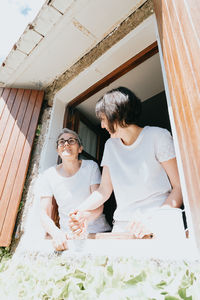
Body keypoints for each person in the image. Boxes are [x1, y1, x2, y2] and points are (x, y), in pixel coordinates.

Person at [69, 87, 183, 239]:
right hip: (123, 226)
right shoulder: (110, 146)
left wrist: (155, 220)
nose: (102, 125)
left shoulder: (158, 136)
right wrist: (80, 210)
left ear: (116, 115)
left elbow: (179, 186)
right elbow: (104, 190)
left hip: (159, 220)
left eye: (103, 119)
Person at [39, 128, 110, 251]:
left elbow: (99, 205)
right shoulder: (48, 175)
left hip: (97, 233)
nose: (66, 144)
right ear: (57, 150)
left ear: (80, 148)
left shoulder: (91, 167)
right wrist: (56, 233)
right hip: (68, 237)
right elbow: (43, 213)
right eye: (61, 141)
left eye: (71, 140)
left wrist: (83, 219)